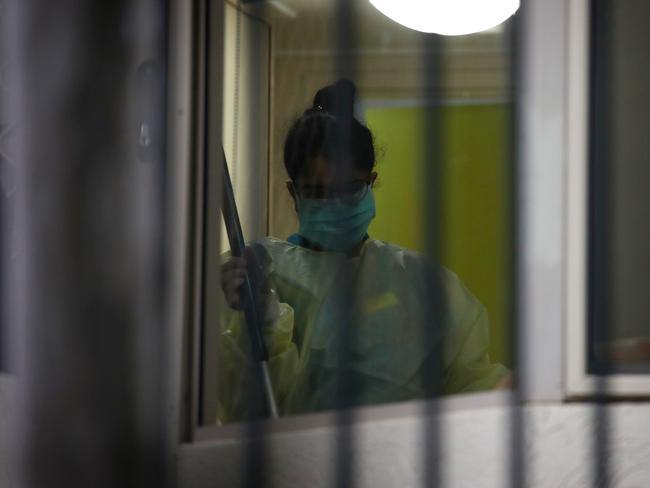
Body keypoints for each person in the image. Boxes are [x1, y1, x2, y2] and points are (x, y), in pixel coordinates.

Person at [216, 79, 509, 423]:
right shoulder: (256, 272)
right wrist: (262, 318)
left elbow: (473, 386)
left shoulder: (422, 283)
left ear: (371, 181)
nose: (334, 202)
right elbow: (243, 408)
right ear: (293, 192)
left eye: (349, 189)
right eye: (317, 192)